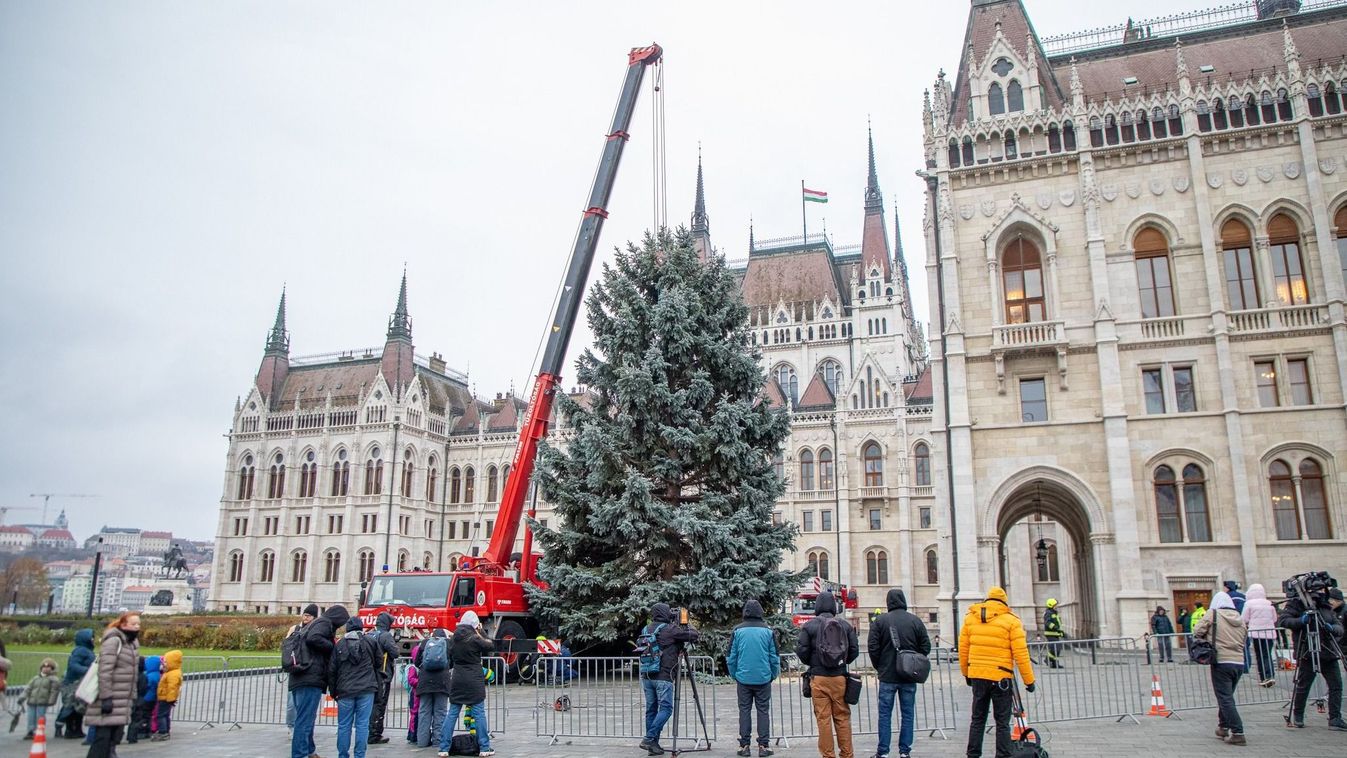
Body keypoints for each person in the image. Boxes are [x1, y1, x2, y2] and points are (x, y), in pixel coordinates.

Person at [959, 586, 1035, 758]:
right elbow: (1021, 653)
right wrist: (1028, 681)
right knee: (1002, 722)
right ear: (1004, 601)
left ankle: (973, 754)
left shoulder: (971, 618)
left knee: (977, 719)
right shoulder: (1011, 621)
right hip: (1001, 677)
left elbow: (963, 649)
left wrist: (966, 673)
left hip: (978, 675)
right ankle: (1002, 755)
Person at [795, 591, 859, 758]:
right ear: (834, 606)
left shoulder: (809, 626)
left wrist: (813, 663)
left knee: (823, 719)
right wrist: (842, 661)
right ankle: (847, 754)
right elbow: (854, 650)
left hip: (819, 677)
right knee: (842, 717)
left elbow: (801, 650)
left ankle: (828, 755)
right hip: (839, 677)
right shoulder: (844, 625)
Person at [868, 588, 930, 758]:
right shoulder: (915, 621)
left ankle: (883, 752)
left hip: (887, 675)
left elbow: (873, 647)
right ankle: (905, 751)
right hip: (909, 675)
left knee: (885, 715)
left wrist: (879, 666)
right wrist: (914, 662)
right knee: (908, 714)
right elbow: (926, 647)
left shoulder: (880, 621)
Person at [1277, 584, 1345, 731]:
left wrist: (1332, 628)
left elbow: (1339, 627)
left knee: (1336, 686)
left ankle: (1335, 718)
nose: (1319, 592)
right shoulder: (1297, 604)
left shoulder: (1324, 605)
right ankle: (1298, 715)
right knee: (1303, 686)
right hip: (1307, 652)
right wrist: (1301, 621)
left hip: (1328, 652)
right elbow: (1283, 621)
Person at [639, 602, 701, 756]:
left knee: (651, 710)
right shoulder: (670, 629)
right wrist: (687, 622)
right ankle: (649, 738)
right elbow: (693, 635)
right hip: (663, 675)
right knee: (666, 708)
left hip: (647, 675)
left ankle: (653, 746)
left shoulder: (646, 629)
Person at [289, 603, 350, 758]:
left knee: (305, 718)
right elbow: (314, 638)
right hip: (309, 678)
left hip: (302, 677)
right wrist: (332, 646)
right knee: (304, 720)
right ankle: (300, 754)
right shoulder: (324, 623)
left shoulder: (317, 623)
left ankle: (309, 750)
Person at [1193, 591, 1249, 745]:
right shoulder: (1240, 618)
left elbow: (1197, 630)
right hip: (1239, 662)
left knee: (1225, 698)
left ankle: (1238, 732)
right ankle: (1223, 727)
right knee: (1227, 696)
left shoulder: (1213, 614)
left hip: (1222, 661)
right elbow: (1244, 639)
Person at [439, 611, 496, 758]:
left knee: (452, 713)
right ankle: (484, 747)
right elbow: (491, 646)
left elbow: (449, 656)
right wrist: (481, 631)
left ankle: (444, 747)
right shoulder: (475, 638)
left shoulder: (453, 639)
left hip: (457, 678)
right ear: (474, 624)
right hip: (474, 679)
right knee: (479, 713)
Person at [727, 599, 780, 757]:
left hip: (743, 679)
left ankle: (744, 746)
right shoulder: (768, 631)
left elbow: (731, 657)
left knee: (744, 711)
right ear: (760, 612)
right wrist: (772, 674)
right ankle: (763, 746)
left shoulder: (737, 631)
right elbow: (774, 657)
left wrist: (735, 674)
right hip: (763, 678)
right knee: (763, 711)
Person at [85, 612, 142, 758]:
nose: (137, 627)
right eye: (133, 624)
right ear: (123, 624)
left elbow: (132, 673)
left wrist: (133, 695)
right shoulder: (114, 641)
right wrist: (106, 697)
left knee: (115, 738)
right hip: (110, 697)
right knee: (102, 739)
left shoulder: (132, 644)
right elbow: (105, 671)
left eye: (138, 624)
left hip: (123, 698)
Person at [330, 617, 379, 758]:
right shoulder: (371, 642)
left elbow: (332, 670)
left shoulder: (339, 644)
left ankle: (343, 754)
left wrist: (333, 691)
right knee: (362, 725)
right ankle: (360, 755)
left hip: (345, 689)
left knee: (344, 725)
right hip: (366, 688)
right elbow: (378, 662)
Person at [365, 612, 399, 745]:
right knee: (380, 704)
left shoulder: (369, 634)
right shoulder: (385, 636)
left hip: (369, 674)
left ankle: (368, 731)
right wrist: (395, 643)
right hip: (383, 674)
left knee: (369, 704)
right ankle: (375, 733)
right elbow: (395, 653)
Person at [413, 630, 451, 748]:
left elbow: (417, 661)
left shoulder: (425, 643)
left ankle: (422, 741)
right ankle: (438, 741)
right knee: (440, 712)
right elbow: (452, 662)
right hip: (442, 682)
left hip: (425, 682)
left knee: (424, 712)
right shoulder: (448, 644)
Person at [59, 628, 96, 739]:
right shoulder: (80, 651)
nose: (94, 639)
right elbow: (74, 665)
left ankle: (77, 729)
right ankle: (70, 729)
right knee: (72, 707)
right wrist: (88, 670)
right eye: (92, 637)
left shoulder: (86, 650)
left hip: (81, 681)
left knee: (79, 707)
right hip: (74, 682)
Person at [285, 607, 316, 734]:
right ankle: (291, 726)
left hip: (308, 670)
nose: (306, 618)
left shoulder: (315, 630)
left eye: (309, 616)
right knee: (292, 702)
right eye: (304, 615)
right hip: (295, 668)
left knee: (306, 704)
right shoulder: (295, 629)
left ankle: (303, 727)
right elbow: (286, 646)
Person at [1241, 584, 1278, 687]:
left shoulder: (1249, 604)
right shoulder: (1269, 603)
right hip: (1269, 632)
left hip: (1256, 632)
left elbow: (1244, 618)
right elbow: (1274, 619)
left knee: (1259, 654)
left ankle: (1264, 677)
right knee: (1267, 654)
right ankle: (1271, 675)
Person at [19, 658, 61, 740]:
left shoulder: (53, 679)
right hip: (32, 701)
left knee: (40, 716)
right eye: (44, 667)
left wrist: (51, 701)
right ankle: (30, 731)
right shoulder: (36, 678)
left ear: (52, 669)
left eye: (49, 667)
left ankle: (39, 730)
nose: (46, 668)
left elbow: (54, 691)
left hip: (43, 701)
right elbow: (28, 688)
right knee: (31, 716)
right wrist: (22, 697)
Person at [151, 650, 181, 741]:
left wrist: (171, 699)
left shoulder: (173, 674)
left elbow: (173, 687)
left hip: (166, 698)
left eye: (166, 662)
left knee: (161, 715)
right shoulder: (170, 672)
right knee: (165, 715)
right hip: (165, 697)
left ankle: (163, 731)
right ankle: (166, 730)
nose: (164, 664)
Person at [1042, 599, 1064, 669]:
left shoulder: (1053, 612)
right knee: (1055, 648)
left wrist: (1060, 632)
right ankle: (1049, 660)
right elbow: (1047, 623)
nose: (1056, 606)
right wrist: (1055, 627)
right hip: (1050, 633)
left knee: (1056, 648)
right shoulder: (1048, 613)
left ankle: (1053, 662)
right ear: (1051, 605)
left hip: (1055, 633)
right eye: (1055, 605)